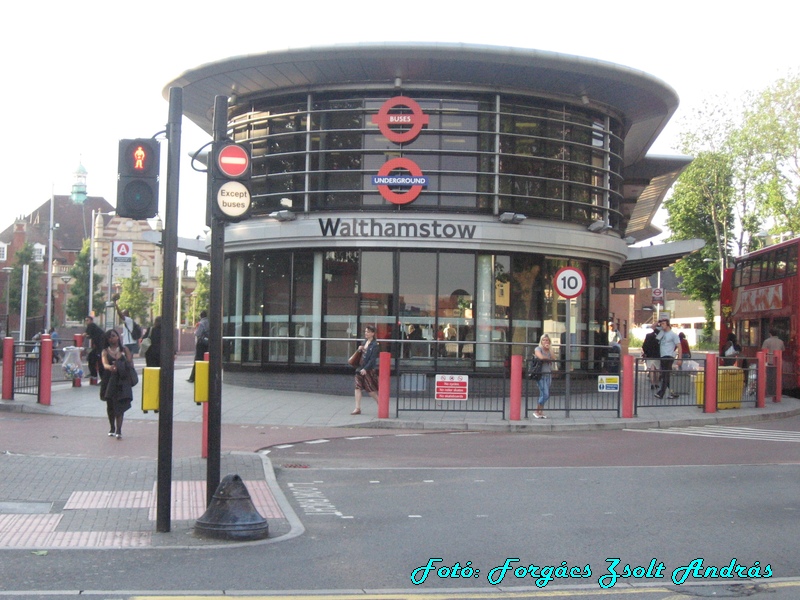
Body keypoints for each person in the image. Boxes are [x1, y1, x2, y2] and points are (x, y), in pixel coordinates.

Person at [100, 329, 135, 440]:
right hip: (109, 380)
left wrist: (123, 365)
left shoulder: (124, 350)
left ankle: (119, 429)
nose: (112, 338)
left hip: (122, 380)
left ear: (118, 337)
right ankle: (112, 427)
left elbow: (130, 362)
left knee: (120, 405)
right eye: (109, 337)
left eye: (114, 336)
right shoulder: (105, 351)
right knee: (110, 405)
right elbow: (105, 364)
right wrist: (110, 367)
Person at [351, 325, 380, 415]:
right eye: (365, 331)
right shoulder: (364, 342)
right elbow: (360, 355)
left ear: (373, 333)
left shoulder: (375, 345)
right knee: (357, 387)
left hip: (368, 370)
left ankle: (381, 404)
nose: (366, 333)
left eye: (368, 332)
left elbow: (372, 359)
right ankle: (357, 408)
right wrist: (359, 350)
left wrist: (366, 369)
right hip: (360, 368)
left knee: (370, 390)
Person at [655, 318, 681, 399]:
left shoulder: (673, 335)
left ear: (668, 325)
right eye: (661, 324)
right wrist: (658, 322)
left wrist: (679, 358)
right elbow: (652, 327)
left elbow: (679, 346)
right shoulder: (662, 333)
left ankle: (661, 393)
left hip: (669, 356)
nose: (662, 325)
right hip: (663, 356)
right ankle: (673, 392)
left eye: (663, 324)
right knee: (665, 375)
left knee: (666, 374)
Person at [532, 334, 553, 419]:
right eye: (544, 340)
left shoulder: (549, 350)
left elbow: (554, 358)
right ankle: (537, 410)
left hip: (548, 374)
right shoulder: (538, 349)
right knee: (546, 394)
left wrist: (549, 349)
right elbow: (540, 357)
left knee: (543, 394)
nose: (545, 342)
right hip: (540, 374)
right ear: (541, 341)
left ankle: (540, 411)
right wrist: (548, 359)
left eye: (547, 340)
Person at [187, 310, 210, 383]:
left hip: (201, 344)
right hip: (208, 344)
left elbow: (197, 333)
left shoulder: (201, 323)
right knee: (206, 360)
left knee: (198, 360)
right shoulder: (210, 322)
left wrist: (194, 331)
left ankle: (193, 377)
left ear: (201, 316)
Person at [84, 316, 105, 385]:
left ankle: (102, 379)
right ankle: (93, 374)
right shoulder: (94, 327)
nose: (86, 322)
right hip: (98, 347)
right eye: (86, 320)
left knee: (100, 363)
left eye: (87, 320)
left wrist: (84, 335)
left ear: (91, 321)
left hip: (101, 347)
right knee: (91, 357)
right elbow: (90, 335)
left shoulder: (91, 325)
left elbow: (86, 334)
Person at [641, 324, 661, 389]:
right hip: (658, 355)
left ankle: (652, 383)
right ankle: (657, 383)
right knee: (657, 370)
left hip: (650, 356)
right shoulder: (660, 336)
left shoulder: (648, 336)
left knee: (651, 370)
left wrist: (646, 353)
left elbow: (644, 346)